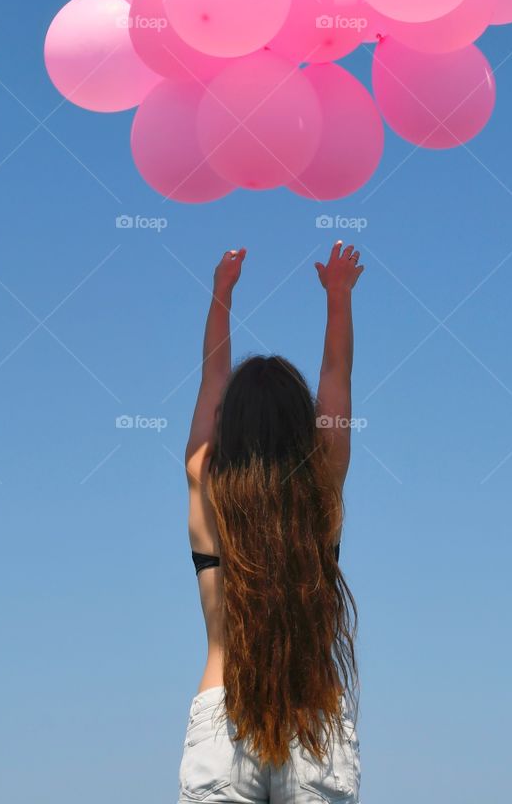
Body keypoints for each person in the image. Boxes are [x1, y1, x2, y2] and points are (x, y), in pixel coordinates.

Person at [178, 240, 364, 804]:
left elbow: (213, 380)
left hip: (222, 719)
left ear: (228, 425)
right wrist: (338, 297)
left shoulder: (206, 480)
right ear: (301, 423)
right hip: (315, 722)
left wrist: (221, 294)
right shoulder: (321, 486)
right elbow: (336, 376)